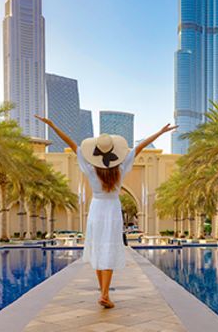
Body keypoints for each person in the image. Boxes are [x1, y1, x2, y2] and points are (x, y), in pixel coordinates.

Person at [36, 115, 176, 309]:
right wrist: (160, 133)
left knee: (99, 249)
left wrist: (52, 125)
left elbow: (72, 143)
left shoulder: (91, 169)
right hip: (112, 209)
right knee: (109, 248)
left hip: (97, 209)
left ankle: (104, 293)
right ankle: (104, 294)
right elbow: (140, 147)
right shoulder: (120, 168)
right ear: (113, 152)